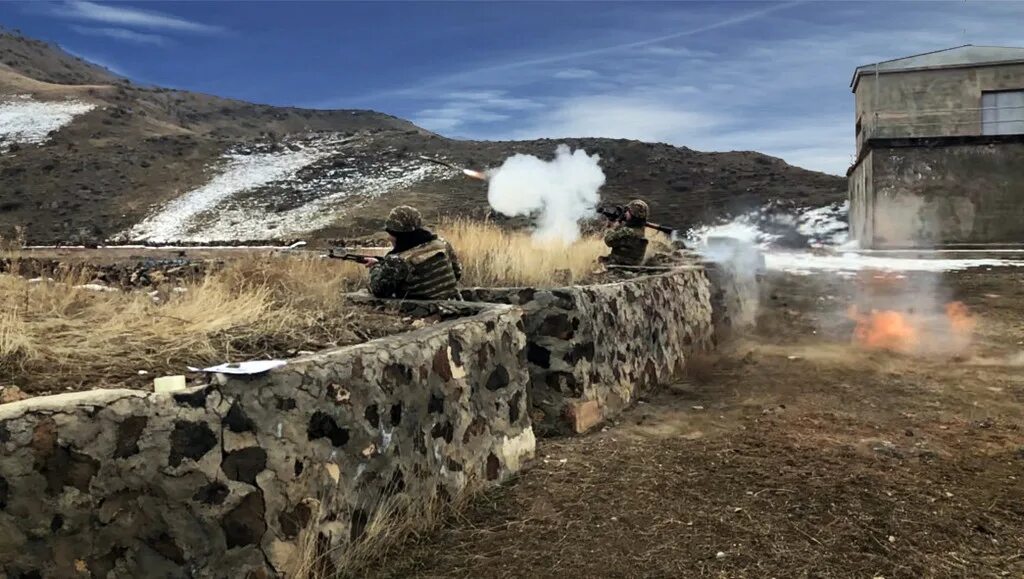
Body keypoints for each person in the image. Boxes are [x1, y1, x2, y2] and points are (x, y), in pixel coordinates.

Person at [365, 205, 462, 300]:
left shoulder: (398, 260)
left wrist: (375, 266)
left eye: (391, 234)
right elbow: (457, 273)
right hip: (453, 303)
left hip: (423, 311)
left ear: (399, 236)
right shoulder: (442, 244)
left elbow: (379, 290)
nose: (388, 238)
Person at [599, 199, 649, 266]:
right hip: (632, 264)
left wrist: (613, 226)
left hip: (618, 263)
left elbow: (608, 240)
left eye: (628, 211)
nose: (626, 213)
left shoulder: (626, 231)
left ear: (633, 214)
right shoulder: (640, 230)